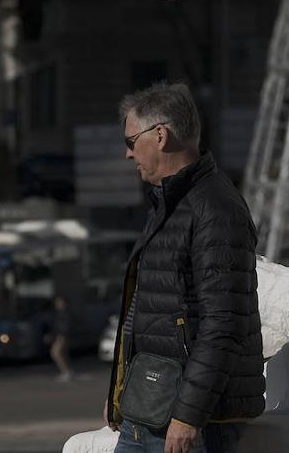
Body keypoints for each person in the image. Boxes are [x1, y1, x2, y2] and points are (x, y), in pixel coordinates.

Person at [104, 82, 264, 453]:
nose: (128, 155)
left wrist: (189, 416)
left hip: (191, 425)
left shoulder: (215, 208)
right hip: (148, 414)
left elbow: (223, 323)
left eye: (131, 142)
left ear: (160, 135)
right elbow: (148, 314)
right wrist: (122, 395)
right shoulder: (171, 203)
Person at [51, 295, 73, 382]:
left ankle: (66, 372)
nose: (58, 303)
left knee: (55, 353)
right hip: (59, 336)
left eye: (59, 302)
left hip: (62, 336)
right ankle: (67, 371)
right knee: (63, 353)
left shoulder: (65, 313)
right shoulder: (59, 312)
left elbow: (66, 325)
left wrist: (62, 335)